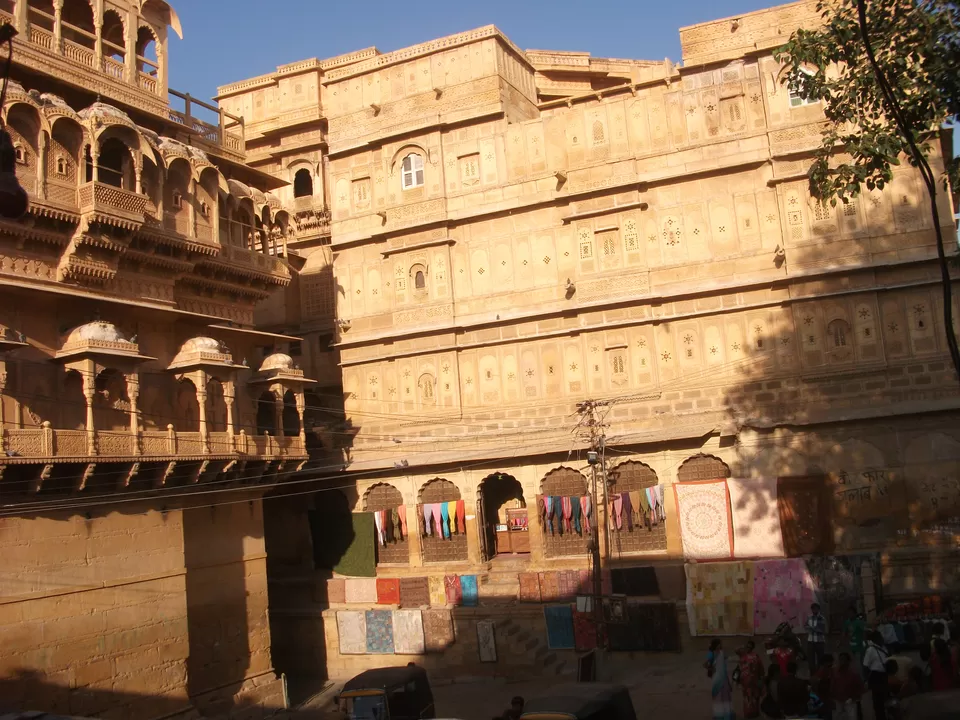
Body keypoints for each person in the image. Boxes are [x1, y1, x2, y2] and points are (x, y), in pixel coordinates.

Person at [705, 639, 736, 720]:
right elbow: (705, 664)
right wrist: (711, 668)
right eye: (718, 644)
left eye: (720, 644)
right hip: (716, 678)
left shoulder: (722, 653)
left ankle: (727, 715)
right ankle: (719, 716)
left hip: (724, 678)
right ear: (715, 645)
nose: (720, 645)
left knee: (726, 696)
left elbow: (729, 659)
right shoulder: (711, 654)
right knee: (718, 697)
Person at [863, 631, 890, 720]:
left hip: (882, 675)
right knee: (879, 700)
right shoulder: (871, 649)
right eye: (880, 637)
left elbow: (866, 665)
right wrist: (866, 680)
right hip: (877, 676)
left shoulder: (882, 648)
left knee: (883, 699)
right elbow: (866, 666)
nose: (881, 638)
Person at [737, 640, 765, 719]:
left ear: (752, 648)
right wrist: (743, 647)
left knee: (755, 698)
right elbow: (735, 650)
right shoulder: (742, 655)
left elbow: (761, 669)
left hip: (754, 681)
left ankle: (755, 713)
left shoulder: (756, 656)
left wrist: (761, 680)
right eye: (747, 646)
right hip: (745, 682)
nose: (748, 648)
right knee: (747, 698)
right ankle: (747, 714)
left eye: (749, 647)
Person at [833, 652, 864, 720]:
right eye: (840, 659)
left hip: (850, 702)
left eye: (844, 660)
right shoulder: (835, 673)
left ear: (848, 661)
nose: (842, 662)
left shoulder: (854, 674)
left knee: (852, 717)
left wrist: (852, 698)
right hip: (838, 701)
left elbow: (861, 688)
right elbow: (832, 686)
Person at [841, 607, 866, 671]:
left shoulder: (859, 622)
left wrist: (864, 642)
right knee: (851, 662)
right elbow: (844, 633)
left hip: (859, 645)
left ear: (855, 614)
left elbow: (864, 633)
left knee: (859, 663)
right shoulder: (847, 622)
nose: (850, 614)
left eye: (851, 613)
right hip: (851, 645)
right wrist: (842, 641)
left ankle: (861, 675)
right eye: (848, 613)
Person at [805, 602, 827, 675]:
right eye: (813, 609)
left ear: (819, 609)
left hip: (819, 641)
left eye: (816, 608)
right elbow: (805, 627)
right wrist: (813, 628)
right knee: (811, 660)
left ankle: (820, 674)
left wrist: (811, 628)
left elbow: (821, 630)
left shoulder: (822, 618)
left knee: (820, 659)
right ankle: (813, 675)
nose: (814, 610)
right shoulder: (809, 617)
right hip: (810, 641)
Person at [811, 654, 835, 720]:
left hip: (825, 700)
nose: (831, 667)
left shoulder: (828, 671)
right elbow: (814, 688)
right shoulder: (819, 674)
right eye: (829, 665)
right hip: (822, 700)